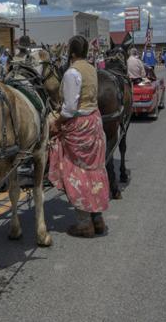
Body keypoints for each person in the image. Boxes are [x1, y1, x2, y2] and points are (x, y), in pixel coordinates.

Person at [48, 35, 111, 235]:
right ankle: (97, 218)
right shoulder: (93, 69)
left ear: (72, 53)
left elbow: (69, 109)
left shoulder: (71, 73)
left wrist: (57, 123)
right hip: (94, 122)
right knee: (94, 170)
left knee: (75, 170)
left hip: (80, 124)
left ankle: (84, 223)